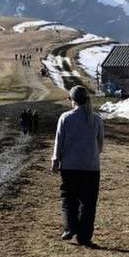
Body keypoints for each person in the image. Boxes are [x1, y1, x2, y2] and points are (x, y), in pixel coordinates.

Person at [52, 86, 105, 246]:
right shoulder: (96, 119)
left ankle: (70, 227)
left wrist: (56, 160)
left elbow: (59, 141)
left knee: (69, 198)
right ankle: (84, 237)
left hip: (69, 166)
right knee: (88, 203)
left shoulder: (66, 118)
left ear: (72, 100)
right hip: (91, 167)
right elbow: (100, 145)